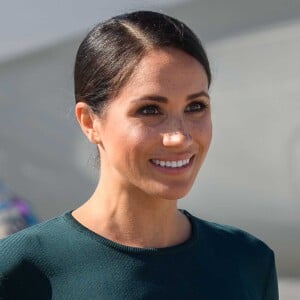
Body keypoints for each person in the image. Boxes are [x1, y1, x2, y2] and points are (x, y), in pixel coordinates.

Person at [0, 11, 278, 299]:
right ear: (89, 122)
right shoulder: (17, 271)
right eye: (149, 110)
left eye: (195, 106)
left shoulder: (249, 262)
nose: (179, 137)